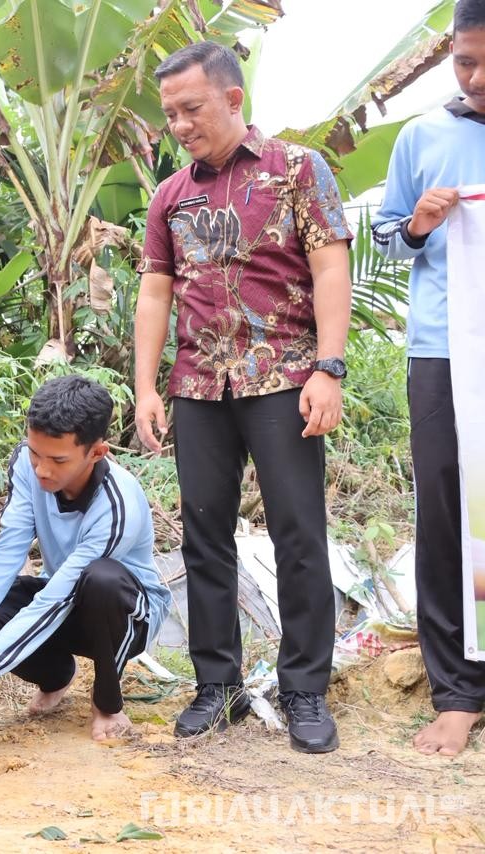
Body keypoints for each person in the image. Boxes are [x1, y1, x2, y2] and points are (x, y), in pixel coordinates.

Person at [133, 42, 353, 753]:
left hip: (284, 378)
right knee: (204, 538)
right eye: (170, 113)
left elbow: (329, 267)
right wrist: (145, 386)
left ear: (233, 99)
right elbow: (154, 293)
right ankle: (217, 686)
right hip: (199, 385)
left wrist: (330, 367)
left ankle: (305, 692)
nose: (180, 124)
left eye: (191, 108)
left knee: (297, 534)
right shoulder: (171, 194)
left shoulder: (296, 170)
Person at [0, 376, 170, 742]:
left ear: (96, 453)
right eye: (34, 453)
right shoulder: (27, 467)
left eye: (58, 460)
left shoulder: (117, 505)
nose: (42, 469)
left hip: (125, 613)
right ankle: (55, 675)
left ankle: (107, 701)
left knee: (101, 579)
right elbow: (8, 553)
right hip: (64, 596)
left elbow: (60, 596)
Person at [370, 0, 485, 757]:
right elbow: (384, 238)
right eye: (463, 60)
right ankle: (460, 691)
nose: (473, 76)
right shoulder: (423, 136)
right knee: (448, 514)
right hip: (446, 353)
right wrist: (417, 226)